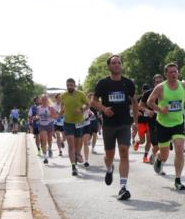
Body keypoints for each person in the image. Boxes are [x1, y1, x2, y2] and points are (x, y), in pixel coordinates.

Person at [92, 54, 138, 200]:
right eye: (113, 63)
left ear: (122, 65)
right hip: (109, 125)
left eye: (119, 62)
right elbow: (93, 101)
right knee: (109, 156)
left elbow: (135, 102)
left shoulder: (128, 83)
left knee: (124, 152)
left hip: (124, 123)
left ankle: (123, 187)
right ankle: (109, 168)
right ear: (109, 66)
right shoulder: (103, 83)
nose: (117, 65)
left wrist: (135, 122)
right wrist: (104, 109)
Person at [147, 63, 185, 190]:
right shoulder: (160, 88)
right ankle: (159, 159)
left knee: (179, 148)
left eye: (175, 72)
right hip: (163, 124)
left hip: (178, 122)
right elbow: (149, 102)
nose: (173, 74)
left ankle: (178, 180)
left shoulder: (183, 85)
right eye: (171, 72)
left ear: (178, 73)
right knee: (165, 155)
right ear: (166, 74)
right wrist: (160, 109)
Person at [59, 79, 90, 176]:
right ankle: (73, 167)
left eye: (71, 85)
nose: (69, 87)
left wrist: (81, 109)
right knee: (71, 145)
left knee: (77, 145)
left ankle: (77, 154)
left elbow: (88, 104)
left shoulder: (80, 94)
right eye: (68, 85)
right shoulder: (63, 95)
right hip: (68, 122)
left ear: (74, 85)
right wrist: (60, 113)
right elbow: (62, 107)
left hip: (79, 122)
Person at [134, 81, 153, 161]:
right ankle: (137, 142)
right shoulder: (139, 99)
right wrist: (136, 112)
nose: (146, 92)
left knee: (149, 140)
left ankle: (145, 156)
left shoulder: (152, 97)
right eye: (144, 90)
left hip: (149, 121)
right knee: (142, 141)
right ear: (142, 90)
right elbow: (134, 108)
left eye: (147, 90)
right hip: (141, 121)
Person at [35, 95, 57, 163]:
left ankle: (49, 148)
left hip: (49, 124)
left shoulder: (51, 108)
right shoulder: (38, 108)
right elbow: (37, 115)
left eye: (45, 99)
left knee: (49, 139)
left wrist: (51, 115)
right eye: (43, 99)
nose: (44, 101)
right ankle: (45, 157)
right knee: (43, 140)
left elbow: (56, 117)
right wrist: (36, 117)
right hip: (42, 125)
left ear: (47, 100)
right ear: (41, 100)